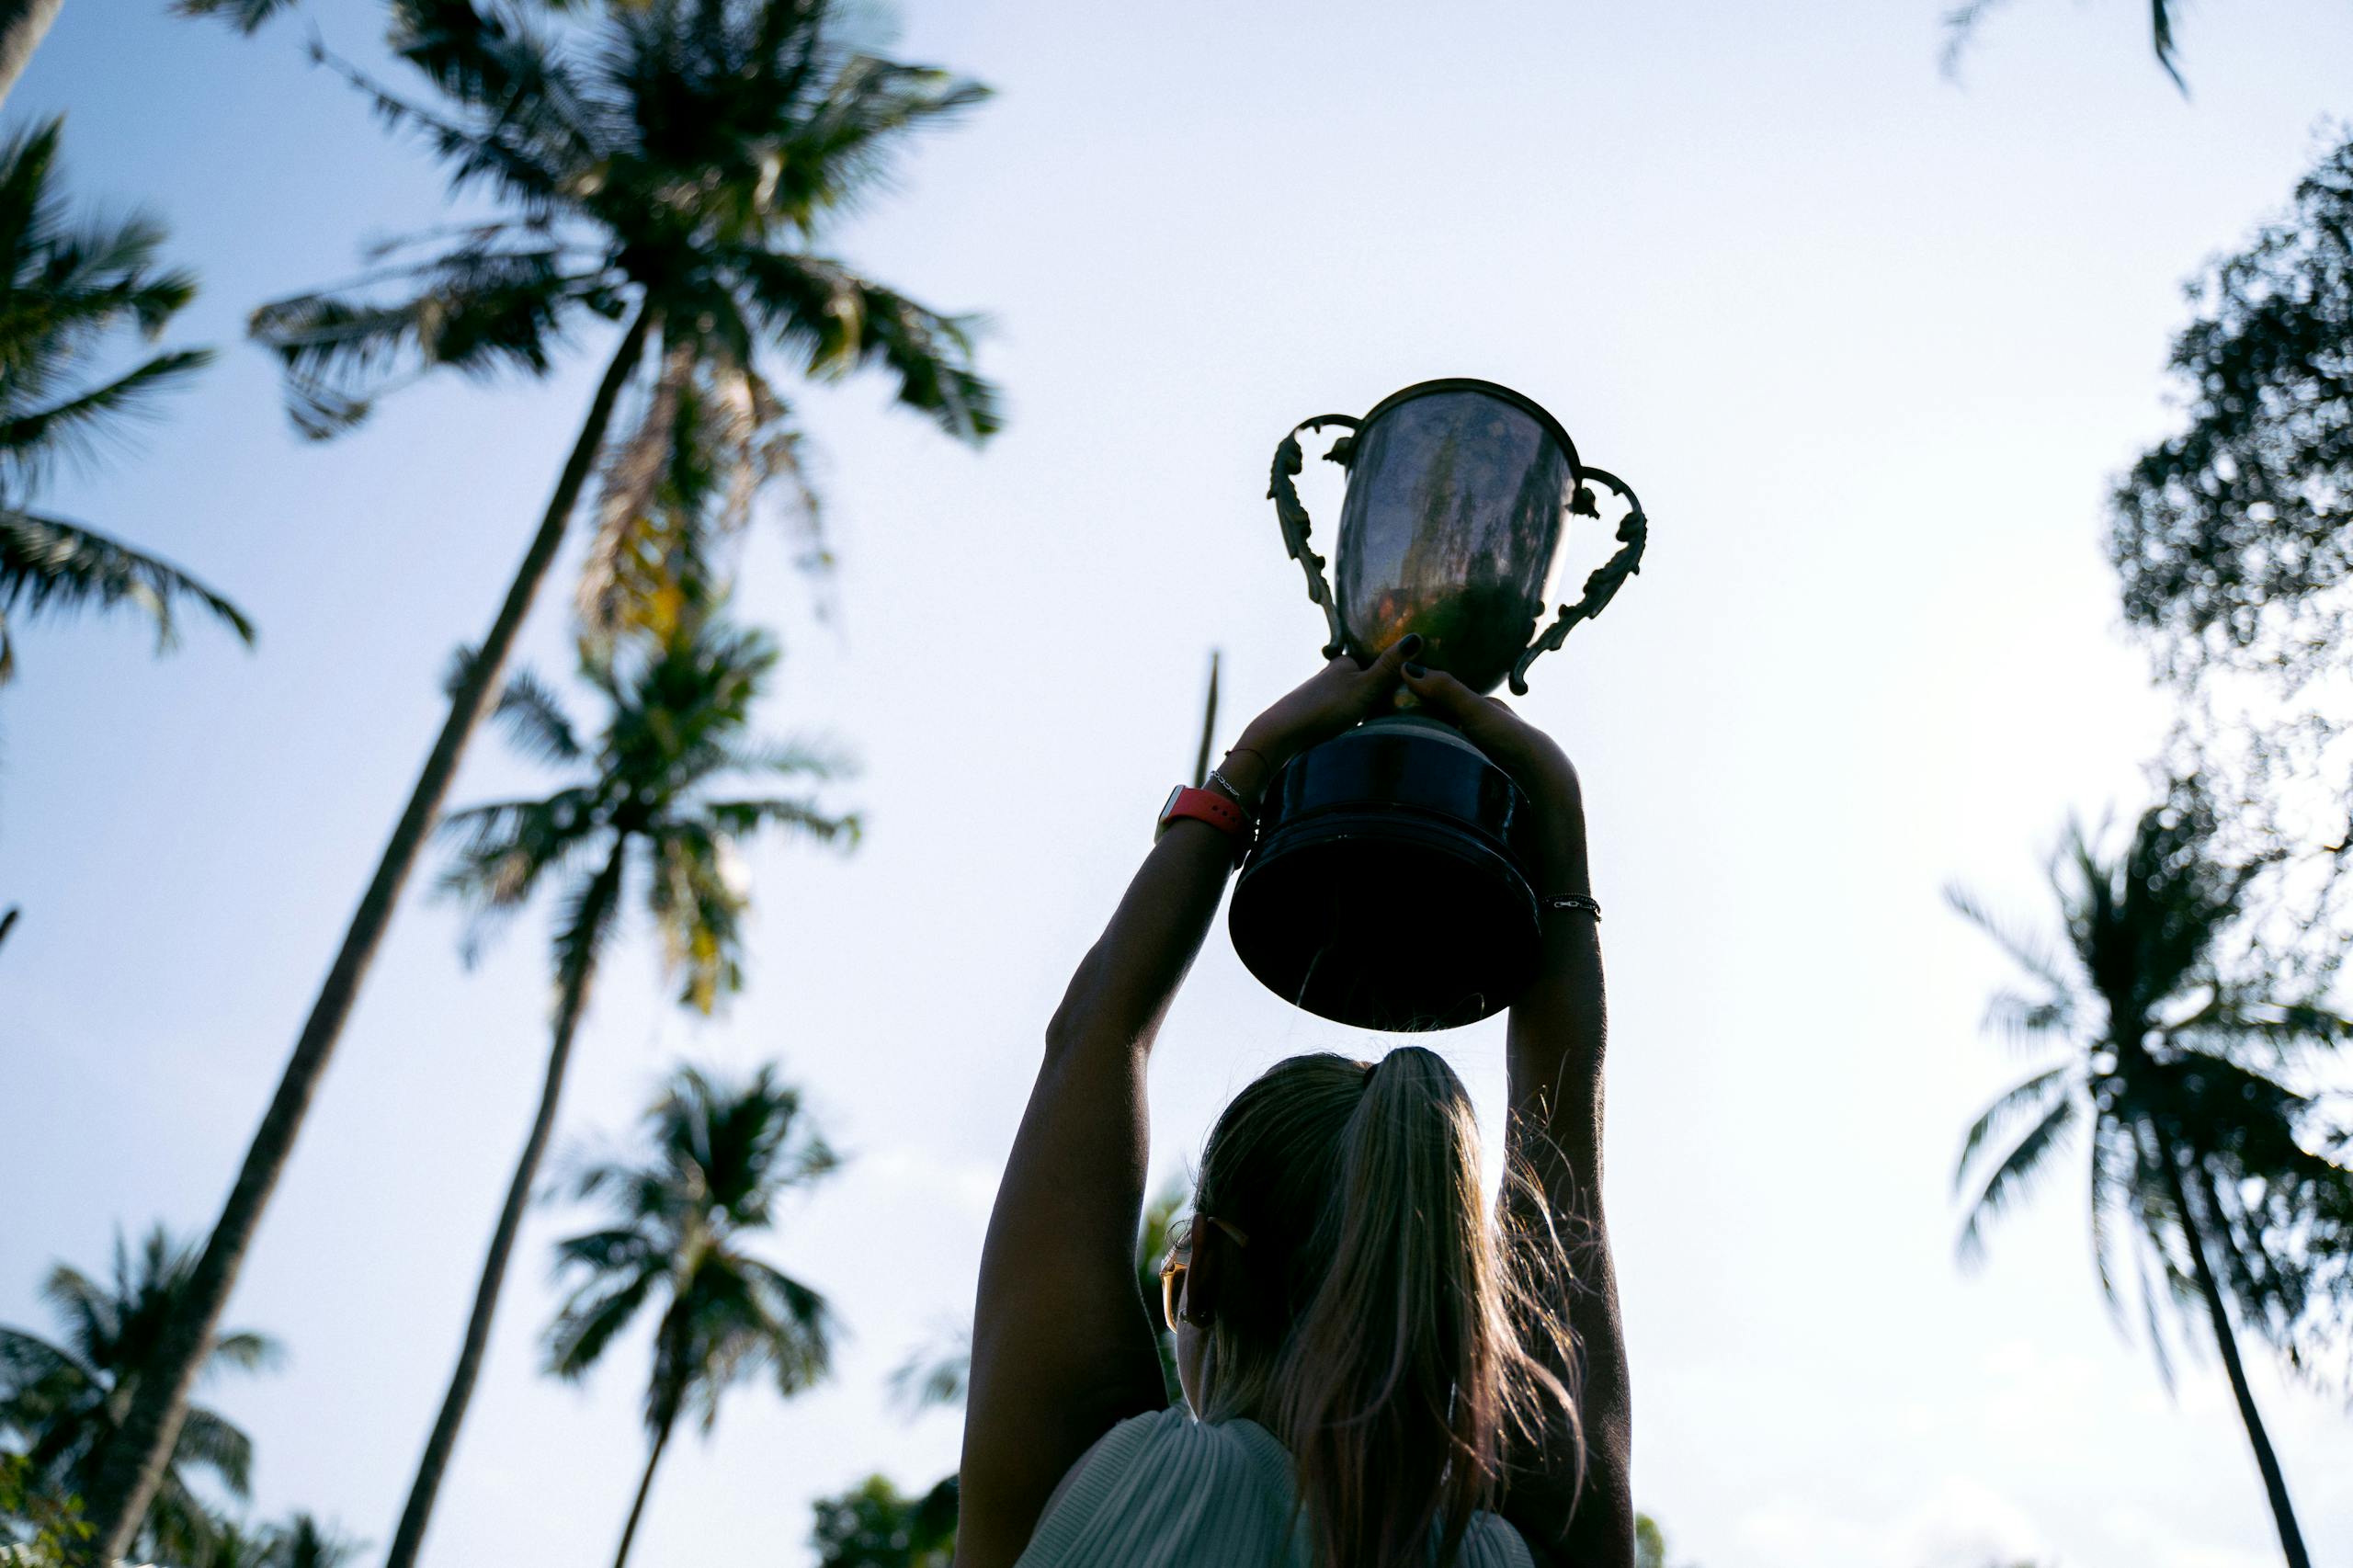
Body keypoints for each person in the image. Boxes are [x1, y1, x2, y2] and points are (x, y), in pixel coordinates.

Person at [954, 635, 1631, 1568]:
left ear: (1211, 1279)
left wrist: (1248, 766)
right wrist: (1558, 836)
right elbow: (1564, 1164)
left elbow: (1090, 1035)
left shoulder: (1102, 1489)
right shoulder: (1507, 1554)